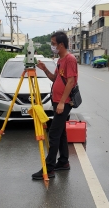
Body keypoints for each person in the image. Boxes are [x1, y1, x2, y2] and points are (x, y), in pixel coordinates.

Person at [32, 31, 78, 180]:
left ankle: (49, 168)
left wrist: (63, 102)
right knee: (61, 133)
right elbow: (55, 78)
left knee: (53, 133)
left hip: (63, 102)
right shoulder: (60, 60)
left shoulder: (70, 59)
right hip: (57, 101)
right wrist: (44, 69)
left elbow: (70, 82)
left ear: (61, 44)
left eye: (53, 44)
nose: (52, 46)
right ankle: (63, 162)